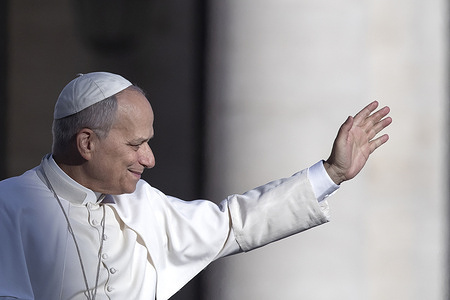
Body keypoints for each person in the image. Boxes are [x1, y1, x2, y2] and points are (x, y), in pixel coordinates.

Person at [0, 72, 392, 300]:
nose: (149, 159)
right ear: (87, 143)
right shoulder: (9, 207)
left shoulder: (141, 203)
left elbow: (233, 224)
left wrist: (331, 172)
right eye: (136, 144)